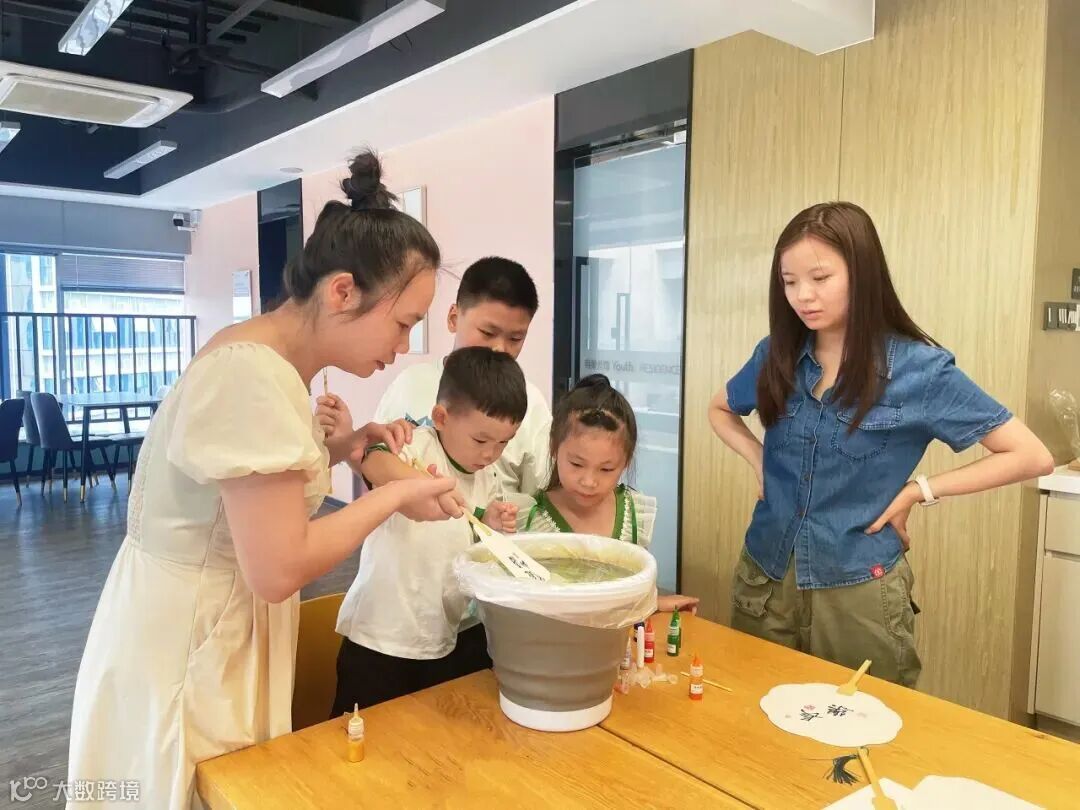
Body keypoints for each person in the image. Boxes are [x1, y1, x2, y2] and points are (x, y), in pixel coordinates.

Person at [66, 152, 461, 810]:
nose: (400, 347)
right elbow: (279, 568)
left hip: (199, 615)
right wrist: (397, 493)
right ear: (342, 291)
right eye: (402, 324)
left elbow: (242, 491)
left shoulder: (261, 355)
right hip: (193, 634)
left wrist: (345, 446)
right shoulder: (251, 374)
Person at [708, 201, 1054, 686]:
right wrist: (758, 457)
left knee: (862, 724)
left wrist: (919, 491)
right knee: (752, 714)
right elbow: (719, 409)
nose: (803, 295)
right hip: (764, 578)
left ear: (862, 274)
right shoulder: (776, 354)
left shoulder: (919, 370)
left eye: (820, 278)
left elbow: (1031, 455)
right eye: (789, 281)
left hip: (858, 591)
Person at [332, 346, 527, 713]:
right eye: (481, 440)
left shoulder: (487, 474)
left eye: (503, 443)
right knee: (359, 733)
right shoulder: (415, 446)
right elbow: (374, 460)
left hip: (440, 631)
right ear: (441, 417)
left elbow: (468, 520)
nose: (490, 454)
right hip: (382, 635)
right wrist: (420, 485)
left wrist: (489, 520)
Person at [319, 256, 551, 496]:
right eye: (487, 332)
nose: (500, 349)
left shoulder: (531, 404)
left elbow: (539, 498)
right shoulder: (410, 383)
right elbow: (373, 467)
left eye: (515, 338)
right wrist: (347, 442)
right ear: (453, 318)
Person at [522, 375, 700, 614]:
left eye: (606, 469)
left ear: (626, 462)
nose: (589, 481)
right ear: (554, 448)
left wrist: (653, 603)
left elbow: (632, 591)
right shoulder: (530, 517)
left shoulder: (634, 515)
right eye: (576, 464)